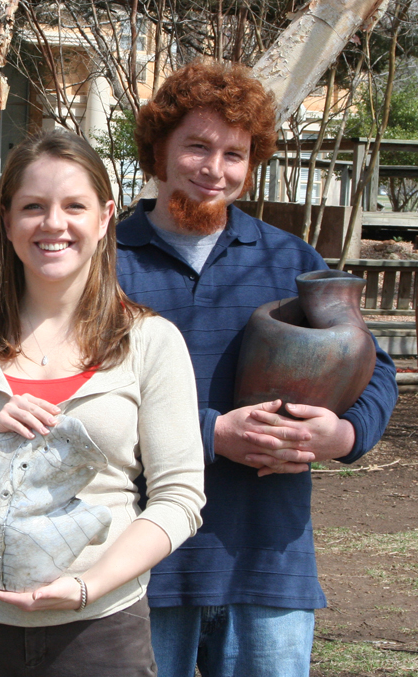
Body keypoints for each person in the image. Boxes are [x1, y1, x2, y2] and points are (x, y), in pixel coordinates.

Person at [115, 60, 399, 677]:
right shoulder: (105, 265)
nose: (215, 170)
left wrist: (343, 436)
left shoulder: (288, 260)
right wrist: (212, 433)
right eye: (196, 146)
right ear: (157, 148)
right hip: (138, 564)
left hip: (268, 558)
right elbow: (79, 398)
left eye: (235, 154)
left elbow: (376, 369)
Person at [0, 130, 206, 676]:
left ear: (106, 216)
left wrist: (87, 587)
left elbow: (179, 499)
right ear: (8, 221)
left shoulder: (151, 342)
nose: (53, 224)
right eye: (33, 207)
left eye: (74, 206)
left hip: (99, 631)